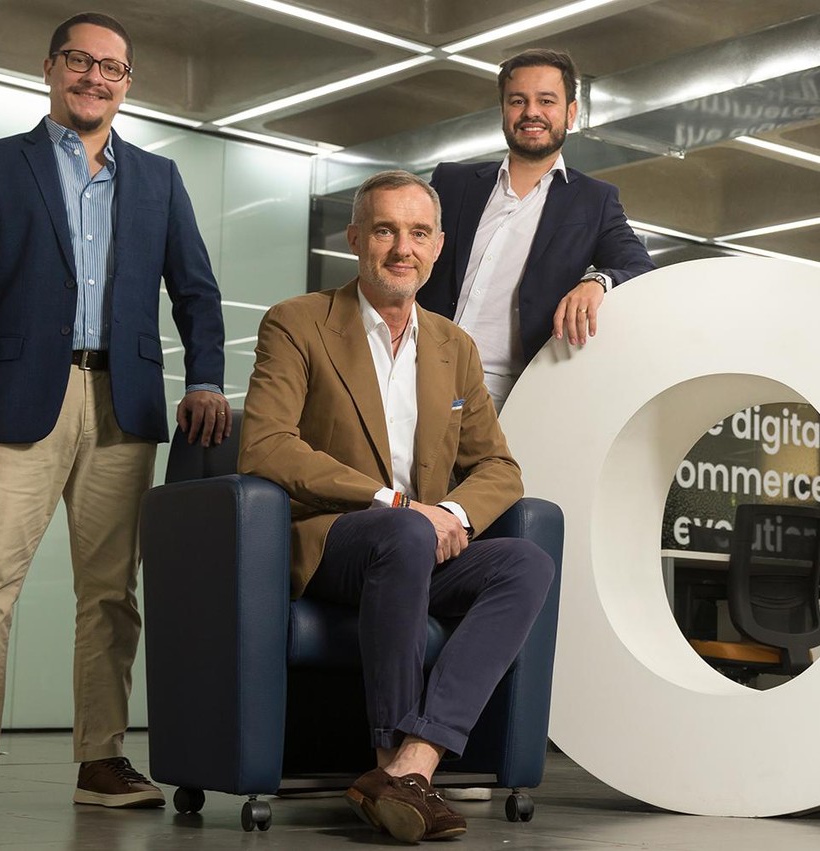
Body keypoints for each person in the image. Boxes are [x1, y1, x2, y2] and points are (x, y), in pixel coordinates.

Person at [0, 12, 232, 813]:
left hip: (123, 403)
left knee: (112, 591)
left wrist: (207, 379)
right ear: (50, 68)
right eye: (79, 62)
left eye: (111, 68)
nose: (94, 78)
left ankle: (101, 759)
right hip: (13, 402)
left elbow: (196, 289)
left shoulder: (157, 178)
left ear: (128, 83)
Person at [238, 170, 554, 843]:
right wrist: (397, 502)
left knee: (524, 562)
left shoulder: (454, 345)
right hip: (334, 539)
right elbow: (265, 447)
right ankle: (386, 753)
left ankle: (414, 762)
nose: (400, 247)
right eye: (384, 230)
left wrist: (456, 515)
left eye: (416, 233)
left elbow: (498, 466)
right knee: (404, 533)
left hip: (420, 541)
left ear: (438, 245)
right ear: (356, 238)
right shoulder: (297, 323)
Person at [417, 48, 655, 410]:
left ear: (570, 113)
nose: (531, 112)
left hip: (507, 396)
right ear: (503, 111)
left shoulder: (594, 201)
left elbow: (641, 270)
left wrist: (597, 281)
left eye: (546, 100)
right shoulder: (452, 182)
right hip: (417, 374)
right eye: (518, 101)